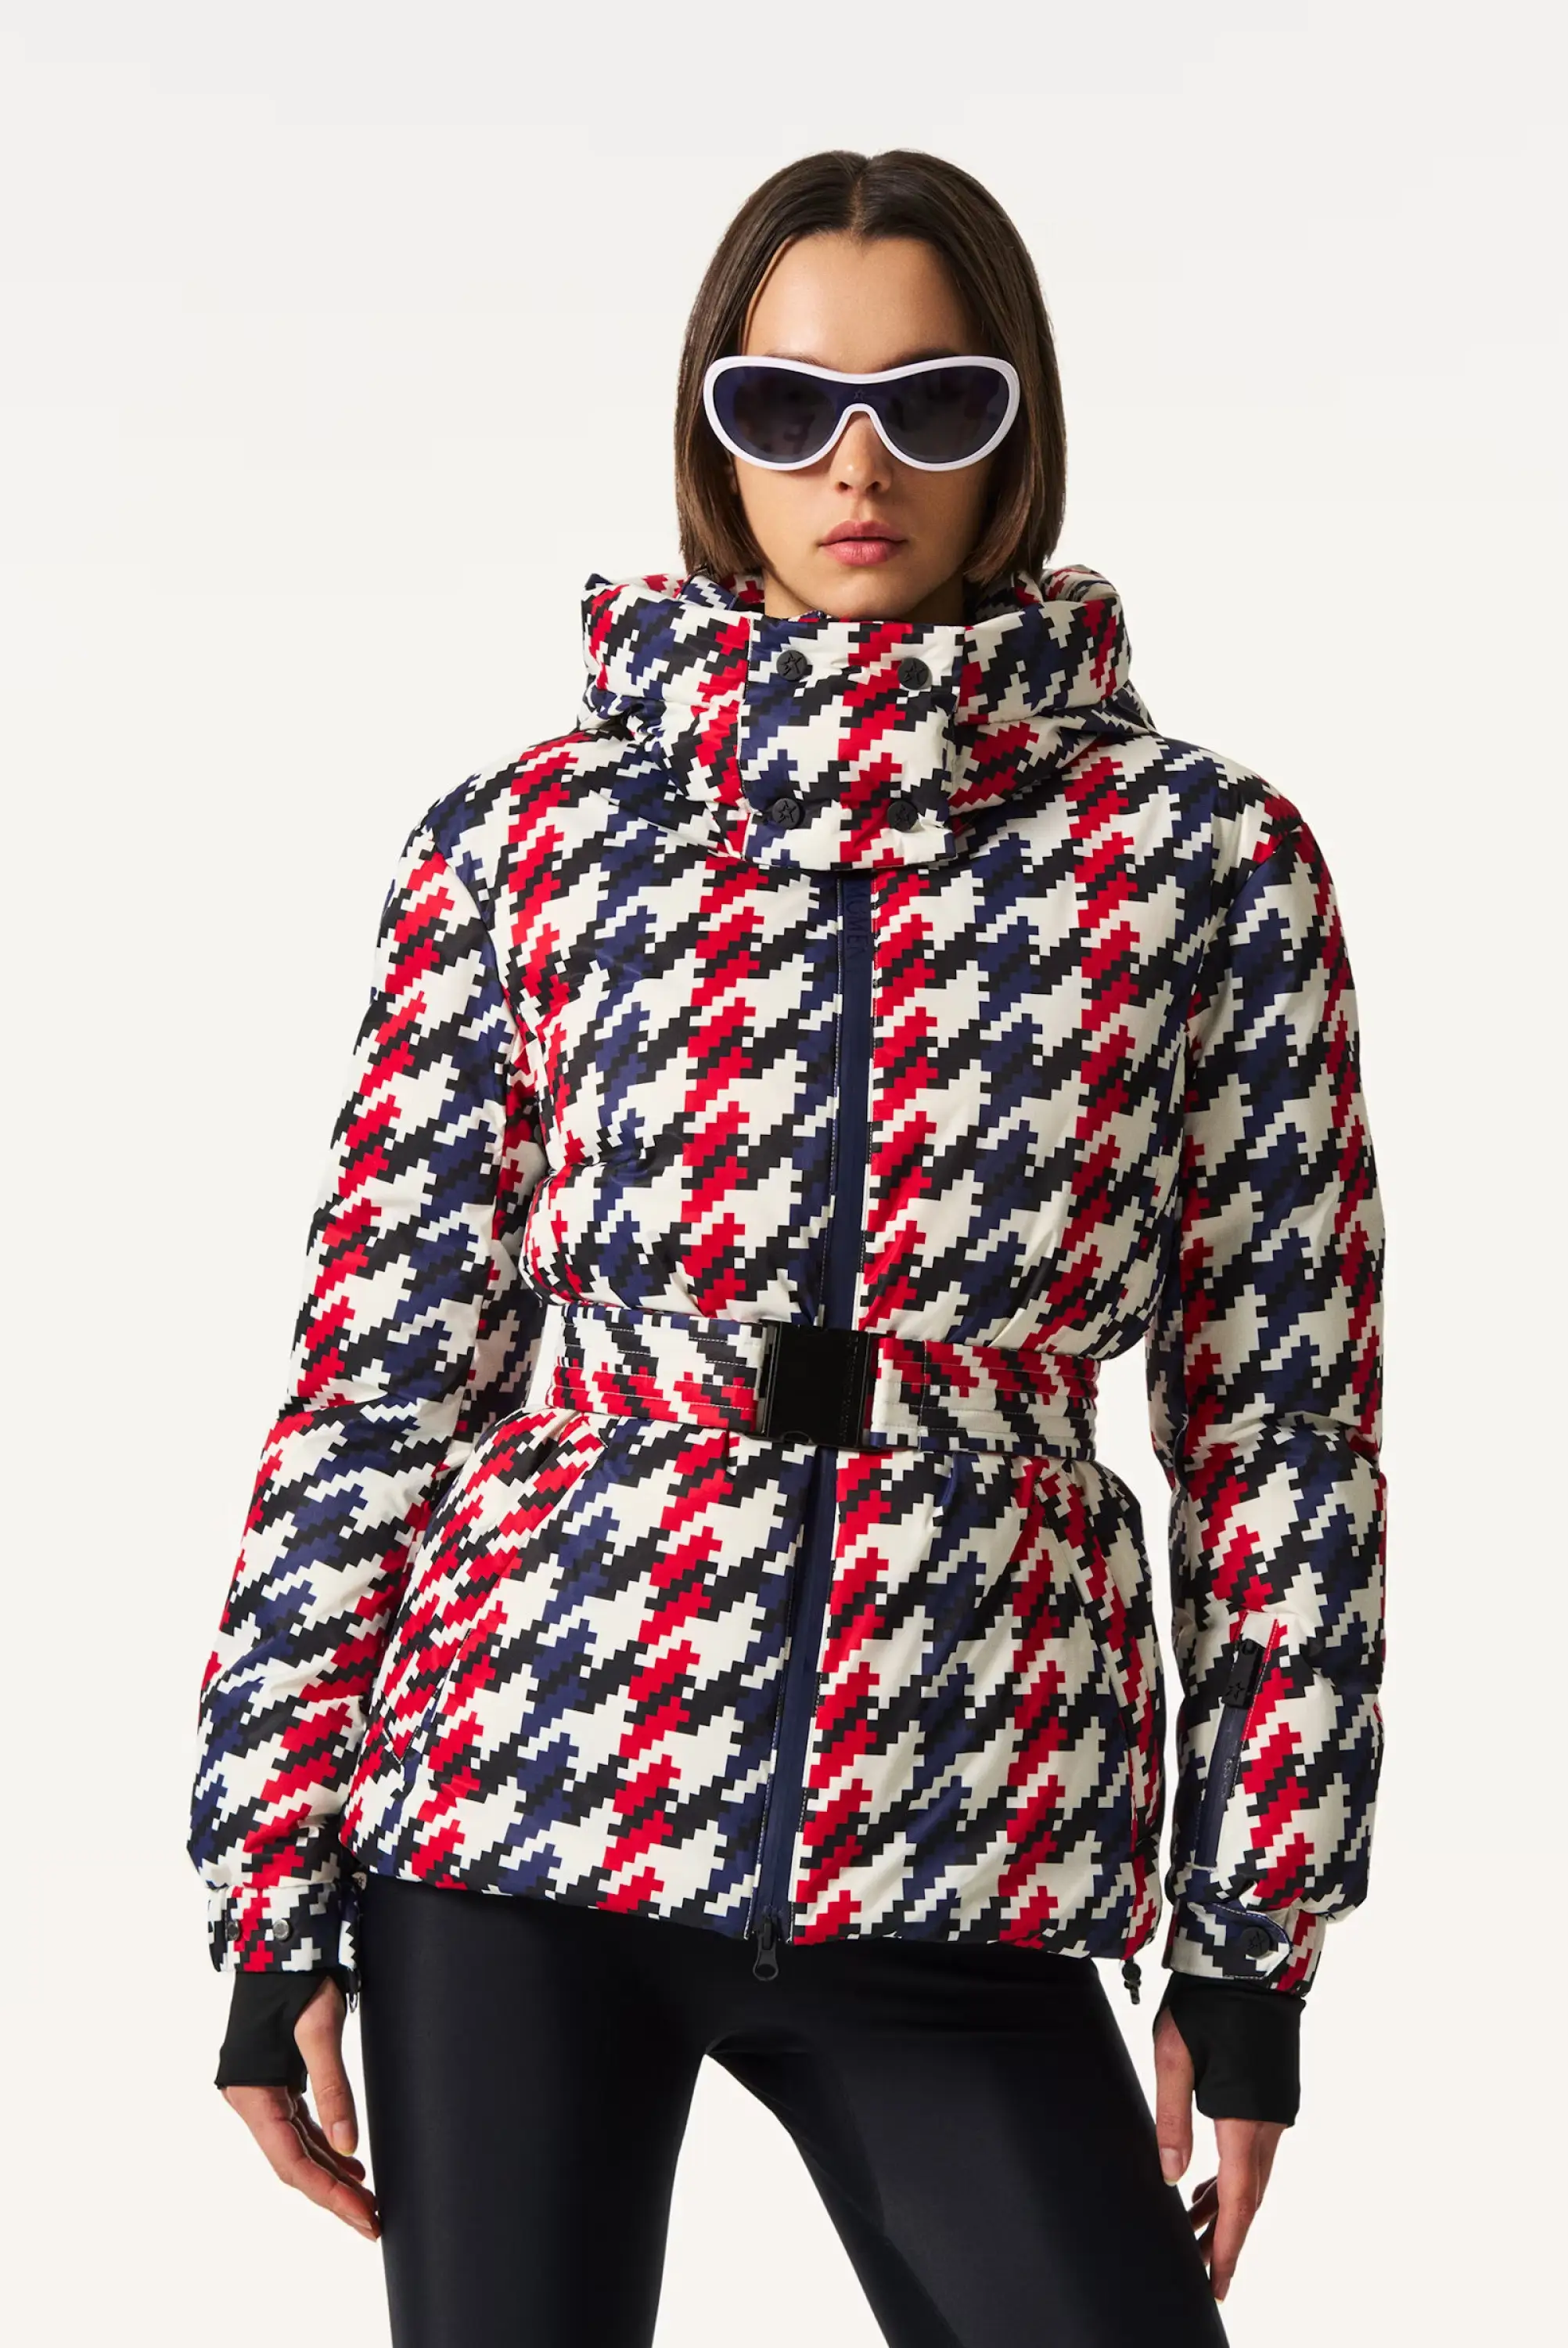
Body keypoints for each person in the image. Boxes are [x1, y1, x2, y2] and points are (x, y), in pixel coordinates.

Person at [188, 147, 1386, 2348]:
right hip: (520, 1787)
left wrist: (1251, 1944)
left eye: (934, 403)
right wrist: (272, 1887)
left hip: (965, 1821)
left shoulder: (1205, 862)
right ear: (708, 429)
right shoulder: (527, 843)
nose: (859, 464)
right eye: (788, 403)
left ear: (1018, 428)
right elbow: (383, 1367)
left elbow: (1280, 1439)